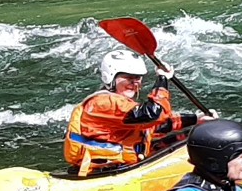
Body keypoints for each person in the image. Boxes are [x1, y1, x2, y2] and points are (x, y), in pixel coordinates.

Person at [64, 50, 200, 177]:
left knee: (190, 138)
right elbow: (154, 114)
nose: (134, 83)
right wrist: (162, 79)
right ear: (111, 77)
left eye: (138, 78)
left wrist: (197, 120)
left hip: (123, 167)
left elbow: (155, 126)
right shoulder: (104, 103)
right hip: (101, 172)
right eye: (128, 77)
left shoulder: (121, 104)